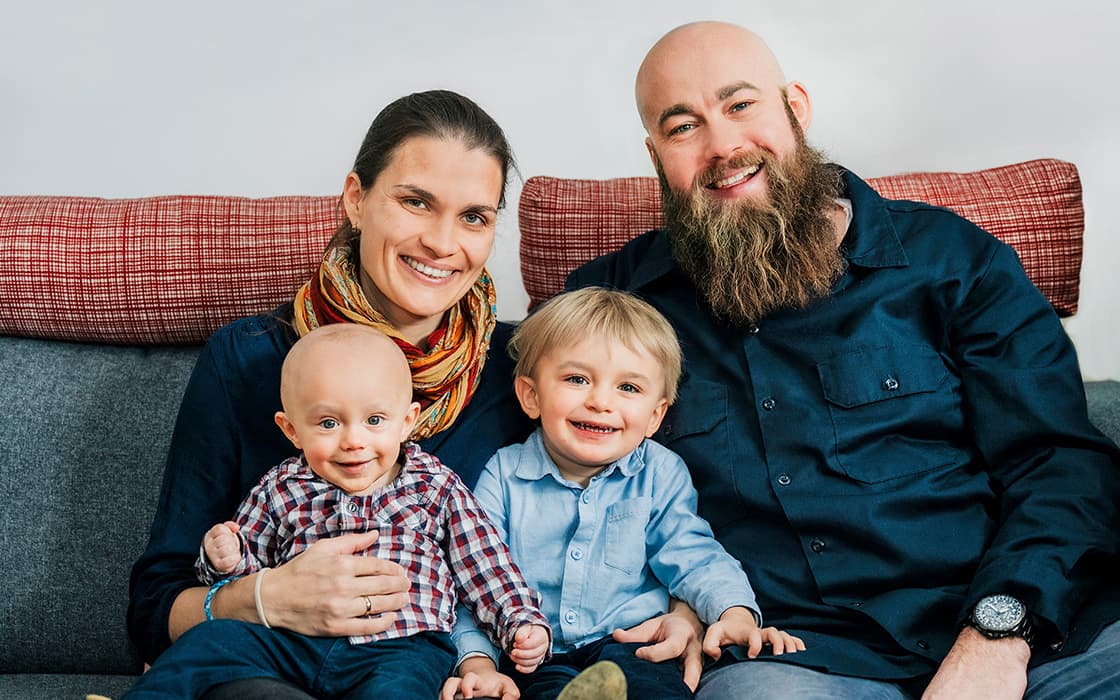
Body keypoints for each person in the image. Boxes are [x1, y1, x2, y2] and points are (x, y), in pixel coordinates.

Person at [567, 21, 1120, 700]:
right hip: (799, 662)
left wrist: (997, 637)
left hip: (1034, 637)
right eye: (683, 126)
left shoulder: (953, 262)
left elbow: (1060, 463)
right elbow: (524, 457)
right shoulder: (612, 304)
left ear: (795, 107)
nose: (722, 146)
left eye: (741, 106)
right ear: (656, 155)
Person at [127, 90, 541, 700]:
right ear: (356, 198)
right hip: (271, 667)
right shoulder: (246, 361)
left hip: (418, 664)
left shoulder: (523, 374)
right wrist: (265, 597)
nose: (442, 242)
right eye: (416, 202)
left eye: (474, 216)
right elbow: (154, 607)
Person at [123, 324, 549, 698]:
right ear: (291, 429)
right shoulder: (281, 487)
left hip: (401, 644)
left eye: (375, 420)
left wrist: (520, 622)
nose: (353, 441)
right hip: (295, 640)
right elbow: (253, 569)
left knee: (399, 690)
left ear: (407, 421)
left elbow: (484, 565)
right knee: (211, 641)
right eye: (328, 423)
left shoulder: (434, 486)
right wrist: (226, 558)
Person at [441, 287, 805, 700]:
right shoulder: (502, 476)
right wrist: (479, 663)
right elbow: (473, 579)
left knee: (654, 689)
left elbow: (692, 552)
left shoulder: (660, 473)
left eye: (628, 388)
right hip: (534, 655)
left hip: (633, 642)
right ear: (531, 395)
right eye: (577, 379)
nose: (600, 401)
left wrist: (734, 611)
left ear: (655, 416)